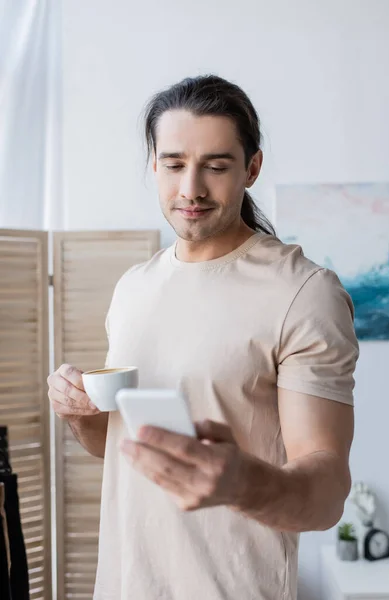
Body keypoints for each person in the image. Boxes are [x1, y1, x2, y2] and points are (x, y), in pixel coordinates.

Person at [48, 75, 359, 600]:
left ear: (251, 168)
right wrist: (82, 416)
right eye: (173, 165)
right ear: (154, 165)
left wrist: (240, 483)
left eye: (216, 166)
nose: (190, 188)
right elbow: (126, 447)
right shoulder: (133, 288)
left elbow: (327, 493)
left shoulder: (304, 292)